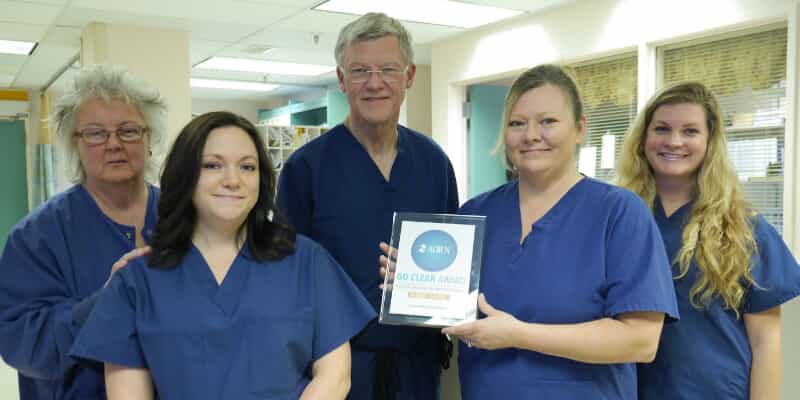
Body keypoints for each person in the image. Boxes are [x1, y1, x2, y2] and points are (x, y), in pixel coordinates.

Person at [69, 111, 375, 399]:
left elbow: (335, 376)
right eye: (212, 165)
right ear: (185, 175)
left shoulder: (305, 261)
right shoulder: (138, 279)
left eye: (247, 167)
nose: (233, 180)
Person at [429, 64, 679, 399]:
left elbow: (641, 341)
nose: (531, 135)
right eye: (517, 123)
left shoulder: (619, 213)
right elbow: (450, 309)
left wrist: (520, 335)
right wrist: (416, 278)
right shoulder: (476, 214)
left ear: (579, 128)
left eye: (548, 121)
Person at [276, 12, 459, 400]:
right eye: (359, 71)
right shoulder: (305, 168)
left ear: (408, 76)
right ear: (342, 80)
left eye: (388, 70)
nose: (374, 83)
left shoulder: (434, 164)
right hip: (336, 368)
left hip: (418, 364)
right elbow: (286, 280)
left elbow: (454, 266)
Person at [617, 81, 800, 400]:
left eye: (690, 131)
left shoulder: (743, 228)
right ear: (643, 137)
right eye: (661, 128)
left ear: (710, 141)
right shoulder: (616, 219)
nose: (674, 141)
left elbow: (767, 341)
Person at [0, 65, 166, 399]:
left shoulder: (184, 217)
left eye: (129, 130)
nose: (114, 144)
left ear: (148, 139)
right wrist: (105, 300)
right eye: (95, 133)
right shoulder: (36, 236)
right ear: (74, 144)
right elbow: (23, 346)